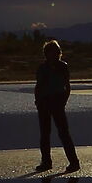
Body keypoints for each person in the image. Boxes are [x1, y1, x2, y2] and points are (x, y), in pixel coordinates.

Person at [33, 37, 80, 173]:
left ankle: (74, 162)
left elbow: (67, 85)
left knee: (64, 133)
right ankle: (46, 162)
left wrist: (63, 101)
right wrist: (38, 101)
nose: (54, 55)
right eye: (51, 52)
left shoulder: (63, 66)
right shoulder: (42, 68)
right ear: (46, 54)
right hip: (44, 102)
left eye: (56, 52)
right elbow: (39, 86)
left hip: (57, 101)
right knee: (45, 134)